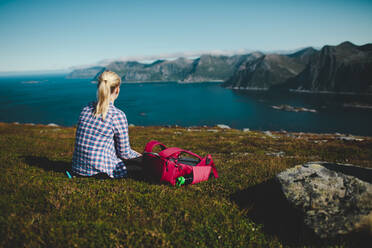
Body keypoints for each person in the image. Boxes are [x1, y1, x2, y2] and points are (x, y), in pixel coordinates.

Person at [72, 70, 142, 179]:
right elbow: (125, 153)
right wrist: (141, 156)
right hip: (101, 172)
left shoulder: (86, 108)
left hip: (77, 169)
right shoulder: (117, 115)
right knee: (143, 164)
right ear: (117, 89)